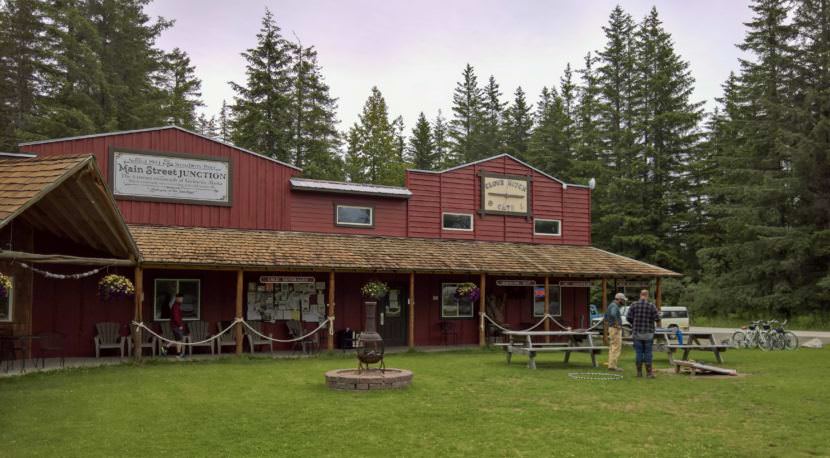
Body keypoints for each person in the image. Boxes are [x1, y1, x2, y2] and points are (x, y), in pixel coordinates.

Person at [626, 289, 660, 378]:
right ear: (647, 295)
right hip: (648, 333)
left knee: (639, 353)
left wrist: (634, 323)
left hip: (637, 333)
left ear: (640, 295)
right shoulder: (651, 305)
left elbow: (628, 318)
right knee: (648, 353)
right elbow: (657, 318)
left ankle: (639, 373)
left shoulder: (634, 305)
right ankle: (649, 373)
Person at [605, 293, 626, 372]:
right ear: (619, 299)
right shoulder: (614, 306)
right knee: (616, 347)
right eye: (623, 300)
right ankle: (613, 366)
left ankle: (611, 365)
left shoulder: (611, 305)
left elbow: (606, 317)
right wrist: (617, 325)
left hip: (611, 328)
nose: (624, 301)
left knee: (613, 347)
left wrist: (611, 324)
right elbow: (613, 314)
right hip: (615, 329)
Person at [163, 293, 186, 358]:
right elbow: (176, 317)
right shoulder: (175, 306)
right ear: (177, 298)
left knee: (177, 339)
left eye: (182, 298)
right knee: (179, 339)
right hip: (176, 326)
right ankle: (178, 354)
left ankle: (165, 347)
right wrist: (179, 325)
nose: (182, 299)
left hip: (176, 325)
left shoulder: (177, 305)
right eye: (180, 298)